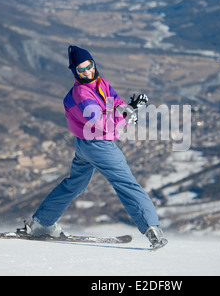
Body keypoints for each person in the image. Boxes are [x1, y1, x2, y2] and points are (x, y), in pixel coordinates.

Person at [29, 45, 168, 248]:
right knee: (127, 184)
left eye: (90, 66)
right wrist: (125, 114)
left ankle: (42, 223)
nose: (87, 72)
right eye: (81, 69)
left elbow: (115, 103)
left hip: (84, 145)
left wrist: (129, 107)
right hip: (98, 145)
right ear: (74, 72)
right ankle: (152, 229)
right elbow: (101, 123)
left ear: (94, 64)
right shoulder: (82, 94)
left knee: (74, 184)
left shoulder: (101, 83)